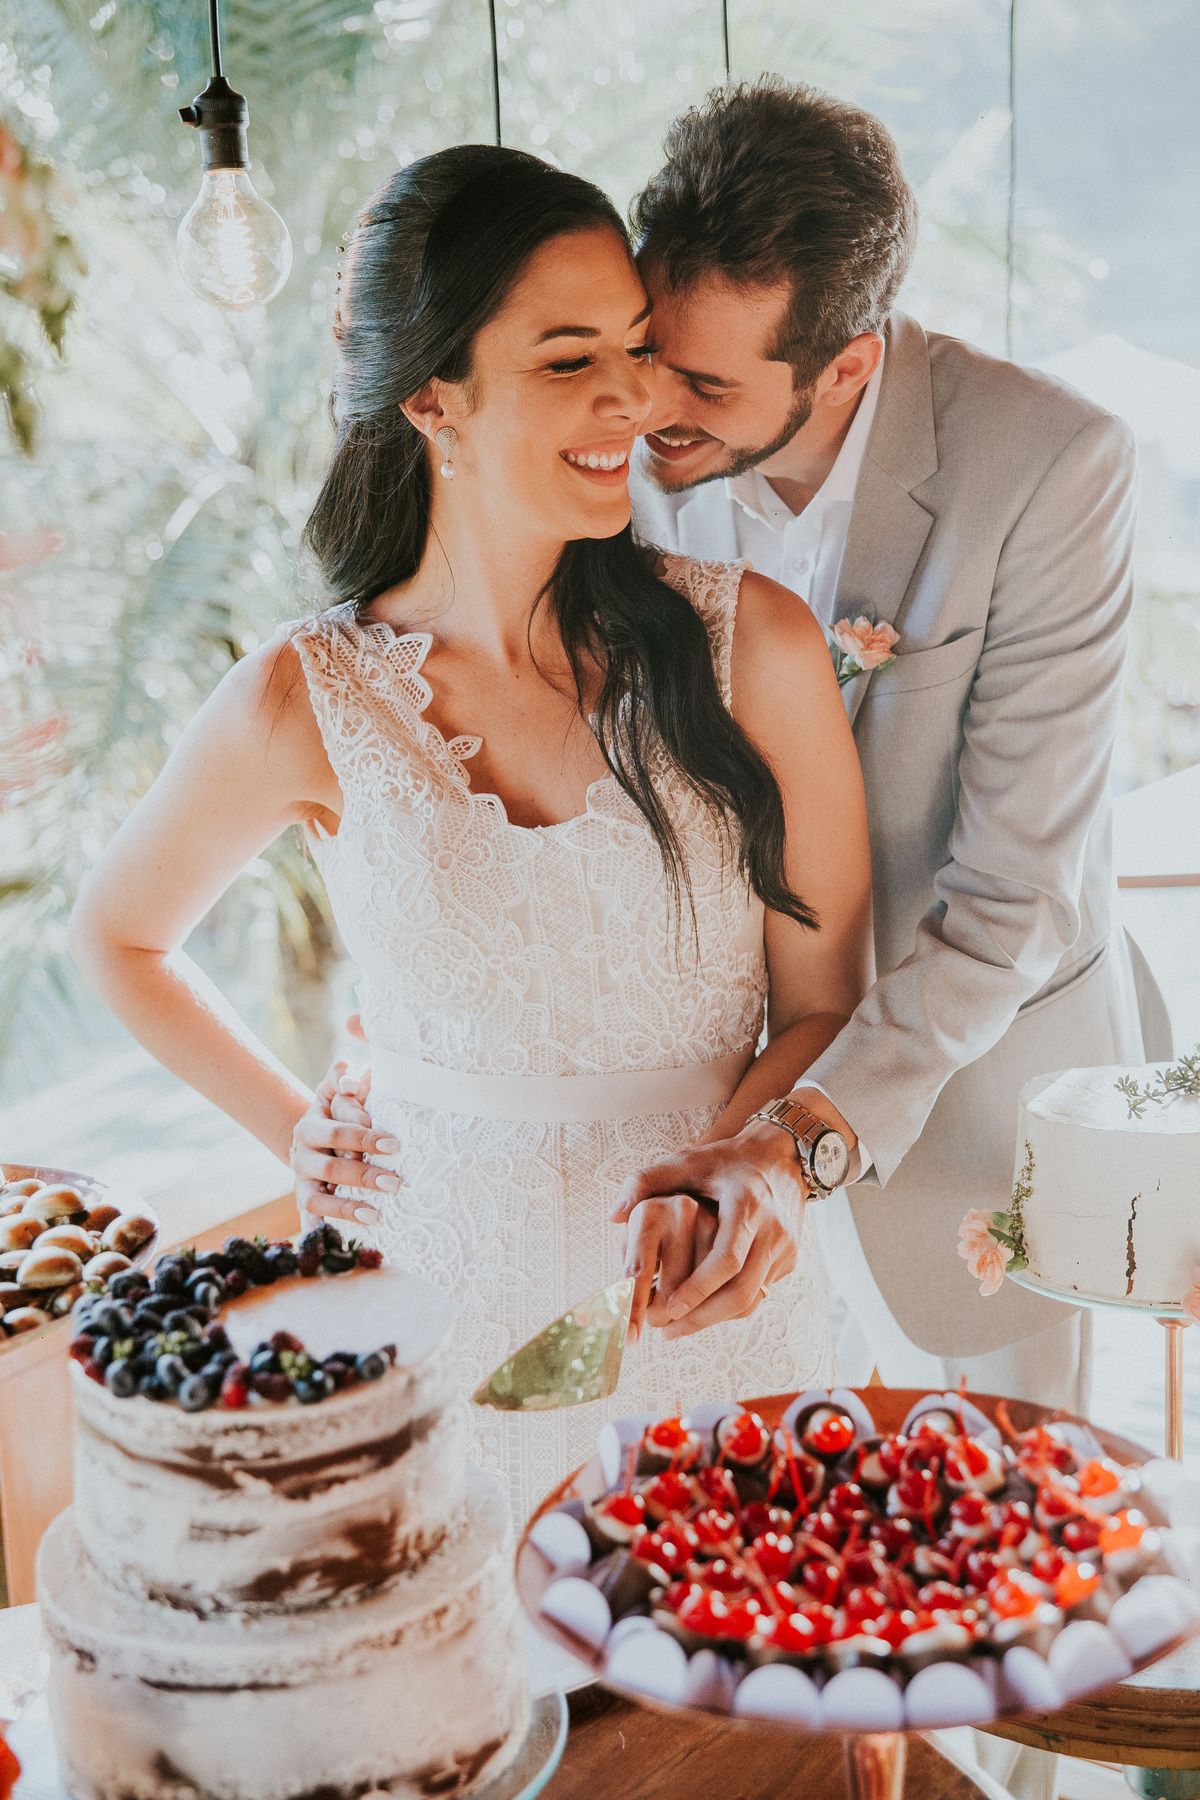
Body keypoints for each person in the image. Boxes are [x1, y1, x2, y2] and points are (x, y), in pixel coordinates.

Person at [68, 145, 872, 1521]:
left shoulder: (761, 647)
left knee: (747, 1708)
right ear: (433, 394)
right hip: (433, 1308)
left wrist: (745, 1176)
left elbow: (827, 1000)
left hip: (709, 1306)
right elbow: (119, 938)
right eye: (570, 362)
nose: (635, 397)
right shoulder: (304, 696)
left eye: (635, 346)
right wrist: (292, 1126)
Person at [614, 79, 1168, 1408]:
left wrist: (800, 1141)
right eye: (648, 354)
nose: (645, 411)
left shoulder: (1053, 464)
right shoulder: (628, 440)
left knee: (1007, 1514)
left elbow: (1012, 895)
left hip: (974, 1108)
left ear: (847, 362)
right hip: (700, 1116)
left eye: (701, 383)